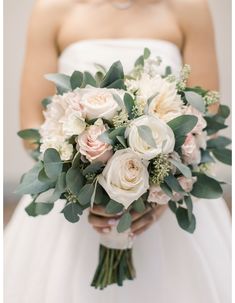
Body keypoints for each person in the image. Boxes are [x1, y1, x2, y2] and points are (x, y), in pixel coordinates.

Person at [5, 0, 231, 302]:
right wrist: (81, 178)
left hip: (168, 206)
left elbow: (207, 119)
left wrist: (162, 191)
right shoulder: (51, 9)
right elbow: (31, 126)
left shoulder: (189, 7)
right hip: (73, 209)